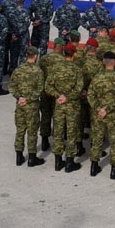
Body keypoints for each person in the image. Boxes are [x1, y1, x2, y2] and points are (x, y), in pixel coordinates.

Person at [88, 51, 115, 179]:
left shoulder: (97, 77)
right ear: (114, 62)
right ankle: (114, 169)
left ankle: (94, 166)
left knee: (97, 139)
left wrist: (99, 108)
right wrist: (108, 109)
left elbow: (90, 95)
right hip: (113, 115)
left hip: (98, 114)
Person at [45, 43, 84, 172]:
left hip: (59, 105)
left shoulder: (55, 68)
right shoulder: (77, 70)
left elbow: (48, 87)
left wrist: (59, 96)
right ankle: (69, 162)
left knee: (58, 132)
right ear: (74, 54)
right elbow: (79, 89)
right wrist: (68, 97)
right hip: (72, 106)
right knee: (71, 133)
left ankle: (57, 161)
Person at [10, 46, 46, 167]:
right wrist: (29, 99)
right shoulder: (38, 71)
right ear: (35, 56)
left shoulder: (18, 70)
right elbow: (40, 89)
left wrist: (19, 97)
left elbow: (12, 87)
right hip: (32, 106)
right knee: (32, 131)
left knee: (20, 130)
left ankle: (18, 157)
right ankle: (32, 157)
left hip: (20, 105)